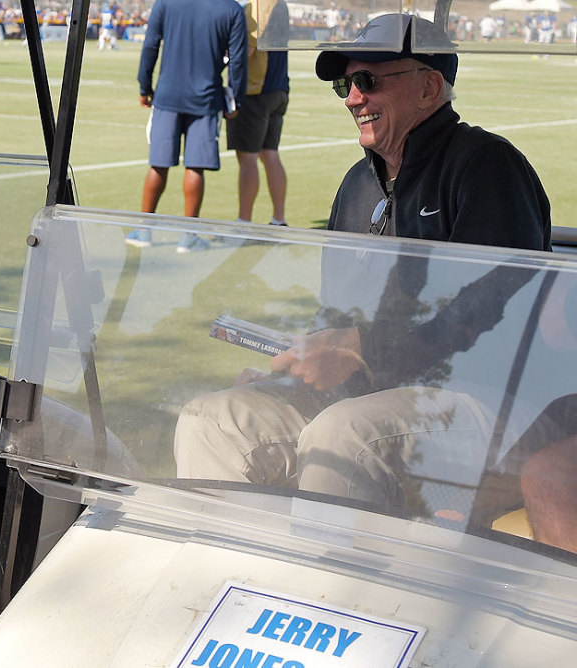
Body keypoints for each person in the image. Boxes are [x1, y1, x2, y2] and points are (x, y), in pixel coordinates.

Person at [173, 14, 550, 510]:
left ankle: (324, 587)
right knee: (213, 420)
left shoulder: (485, 166)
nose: (353, 98)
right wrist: (301, 365)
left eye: (368, 81)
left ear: (429, 86)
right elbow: (336, 316)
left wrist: (360, 350)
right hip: (362, 398)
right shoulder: (357, 184)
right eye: (345, 84)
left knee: (343, 435)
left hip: (478, 401)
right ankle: (235, 581)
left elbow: (489, 317)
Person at [129, 0, 245, 251]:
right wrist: (235, 98)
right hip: (206, 98)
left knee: (158, 164)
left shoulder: (166, 3)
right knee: (195, 166)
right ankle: (187, 236)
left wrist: (144, 86)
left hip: (168, 96)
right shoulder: (232, 9)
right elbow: (237, 61)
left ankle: (143, 231)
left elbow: (150, 46)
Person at [227, 1, 288, 227]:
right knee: (270, 154)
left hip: (255, 90)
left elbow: (248, 49)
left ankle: (244, 222)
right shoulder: (279, 4)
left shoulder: (256, 6)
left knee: (248, 158)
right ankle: (279, 219)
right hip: (278, 87)